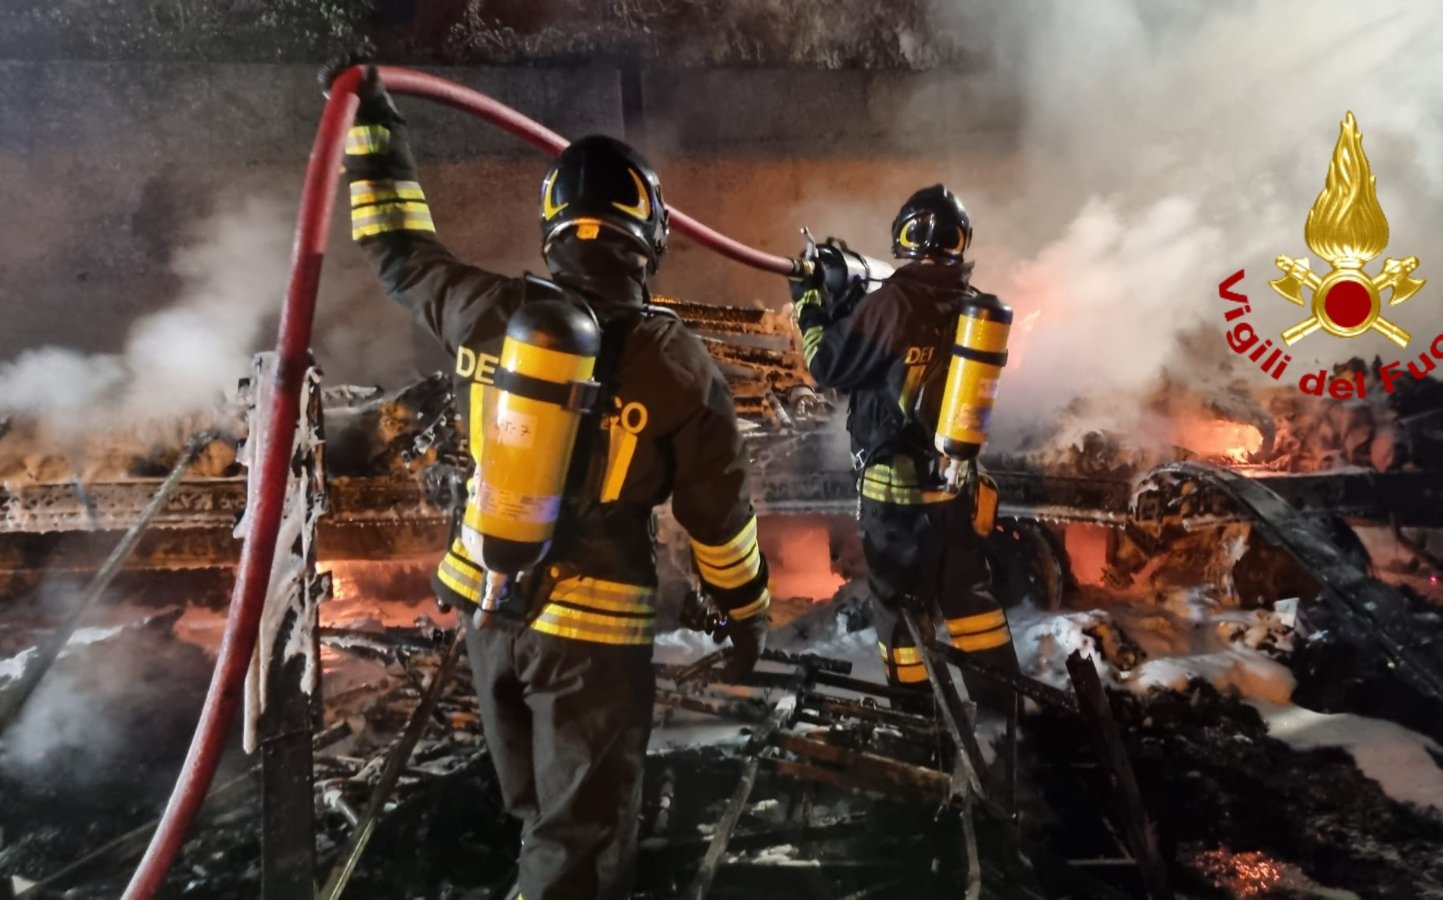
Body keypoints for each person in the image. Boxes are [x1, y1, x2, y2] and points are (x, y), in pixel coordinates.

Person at [335, 67, 770, 900]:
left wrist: (375, 139)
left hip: (489, 610)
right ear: (651, 233)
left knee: (538, 813)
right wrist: (746, 618)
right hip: (592, 644)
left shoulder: (482, 309)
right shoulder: (680, 364)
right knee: (582, 844)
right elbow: (721, 521)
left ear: (554, 227)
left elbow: (396, 250)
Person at [790, 185, 1021, 715]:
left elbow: (828, 366)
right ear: (961, 242)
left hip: (895, 497)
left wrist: (808, 306)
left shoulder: (894, 302)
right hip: (954, 483)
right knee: (969, 602)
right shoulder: (967, 303)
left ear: (905, 235)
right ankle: (1004, 712)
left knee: (900, 612)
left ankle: (920, 723)